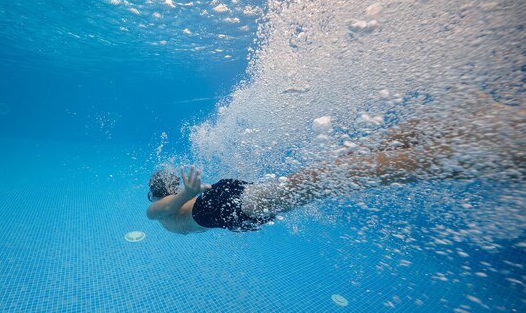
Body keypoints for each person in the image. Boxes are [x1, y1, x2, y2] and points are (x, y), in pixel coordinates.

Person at [147, 93, 524, 235]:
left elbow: (170, 207)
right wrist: (192, 191)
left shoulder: (176, 216)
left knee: (346, 167)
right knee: (340, 169)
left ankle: (473, 136)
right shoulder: (166, 212)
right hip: (242, 203)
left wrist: (197, 191)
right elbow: (161, 208)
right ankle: (476, 140)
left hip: (243, 202)